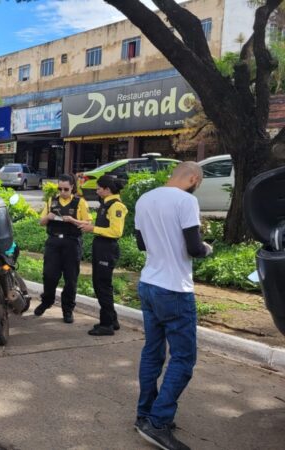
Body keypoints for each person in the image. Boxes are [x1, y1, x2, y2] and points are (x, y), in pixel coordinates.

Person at [133, 162, 212, 450]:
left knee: (152, 351)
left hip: (148, 284)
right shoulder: (186, 201)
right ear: (193, 178)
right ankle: (158, 422)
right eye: (198, 183)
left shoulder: (144, 199)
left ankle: (144, 414)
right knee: (183, 358)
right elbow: (194, 248)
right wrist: (207, 249)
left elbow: (141, 244)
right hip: (175, 290)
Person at [34, 174, 91, 323]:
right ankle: (47, 301)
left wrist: (72, 220)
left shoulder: (80, 202)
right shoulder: (52, 201)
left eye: (66, 189)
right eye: (60, 189)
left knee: (70, 278)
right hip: (53, 242)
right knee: (49, 275)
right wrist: (48, 217)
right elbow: (41, 222)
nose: (62, 192)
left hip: (71, 243)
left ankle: (67, 309)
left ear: (72, 187)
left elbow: (87, 223)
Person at [77, 175, 128, 336]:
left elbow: (116, 232)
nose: (97, 190)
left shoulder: (116, 206)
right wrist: (88, 225)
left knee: (102, 286)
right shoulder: (105, 204)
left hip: (107, 248)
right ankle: (112, 320)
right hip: (101, 246)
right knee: (100, 284)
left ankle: (106, 325)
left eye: (99, 188)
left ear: (107, 189)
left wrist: (93, 229)